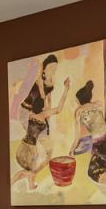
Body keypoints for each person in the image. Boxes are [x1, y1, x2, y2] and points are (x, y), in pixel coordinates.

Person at [12, 54, 71, 190]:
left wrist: (48, 116)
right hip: (26, 111)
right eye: (50, 68)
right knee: (35, 139)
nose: (53, 71)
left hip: (38, 112)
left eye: (55, 68)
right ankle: (30, 175)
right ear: (44, 69)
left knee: (46, 150)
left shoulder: (51, 83)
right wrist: (46, 113)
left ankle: (31, 177)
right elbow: (44, 97)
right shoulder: (40, 80)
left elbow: (48, 101)